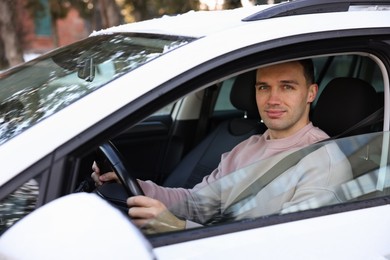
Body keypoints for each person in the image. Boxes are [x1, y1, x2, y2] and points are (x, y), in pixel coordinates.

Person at [91, 59, 352, 233]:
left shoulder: (323, 164)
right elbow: (197, 203)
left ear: (310, 93)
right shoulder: (247, 147)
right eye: (264, 87)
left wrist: (178, 228)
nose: (273, 99)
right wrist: (136, 188)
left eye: (287, 87)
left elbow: (284, 249)